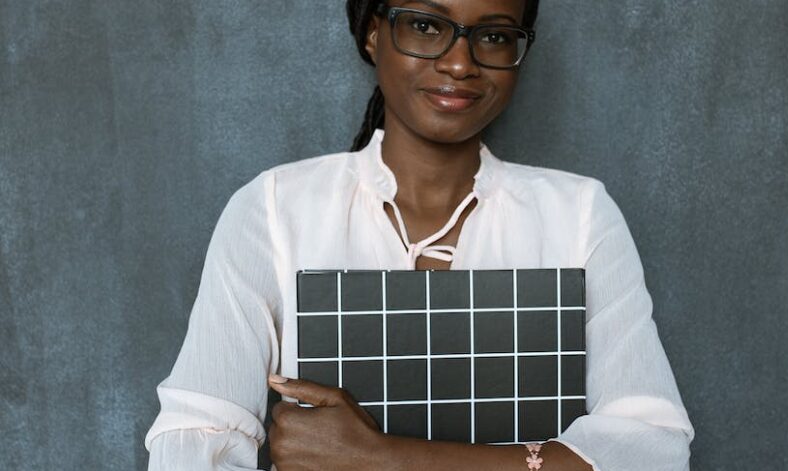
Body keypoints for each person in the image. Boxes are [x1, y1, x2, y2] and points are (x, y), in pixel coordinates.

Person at [144, 0, 695, 469]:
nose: (460, 63)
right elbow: (199, 433)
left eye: (495, 36)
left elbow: (650, 446)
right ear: (372, 32)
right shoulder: (273, 210)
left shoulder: (577, 213)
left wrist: (385, 458)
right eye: (427, 26)